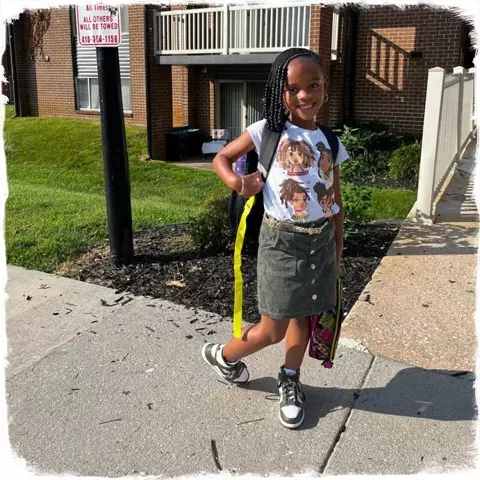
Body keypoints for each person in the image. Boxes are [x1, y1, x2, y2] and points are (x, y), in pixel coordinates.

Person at [201, 47, 349, 429]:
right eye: (293, 88)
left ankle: (290, 378)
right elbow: (221, 158)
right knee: (272, 328)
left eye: (313, 85)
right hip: (281, 244)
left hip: (320, 242)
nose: (305, 95)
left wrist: (337, 242)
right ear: (279, 92)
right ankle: (224, 356)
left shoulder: (330, 141)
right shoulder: (268, 130)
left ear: (325, 86)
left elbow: (335, 198)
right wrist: (238, 182)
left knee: (303, 316)